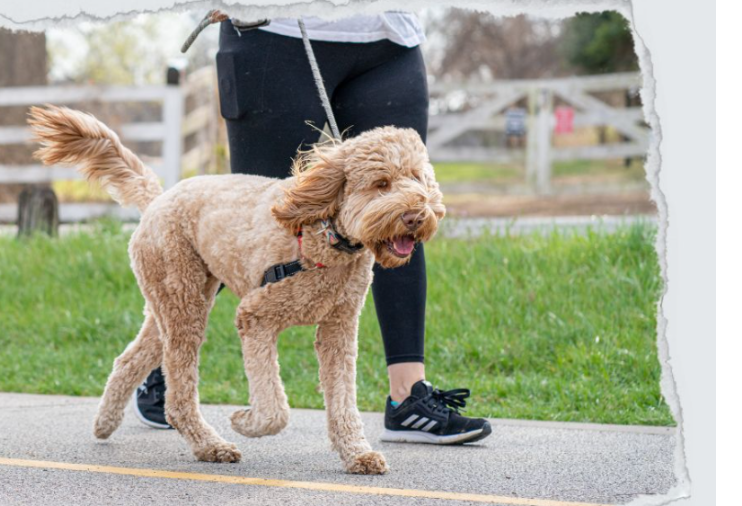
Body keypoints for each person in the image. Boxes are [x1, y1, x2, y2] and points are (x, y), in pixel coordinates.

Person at [135, 12, 492, 444]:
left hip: (388, 35)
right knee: (255, 226)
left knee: (399, 213)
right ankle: (161, 366)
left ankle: (407, 397)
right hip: (274, 31)